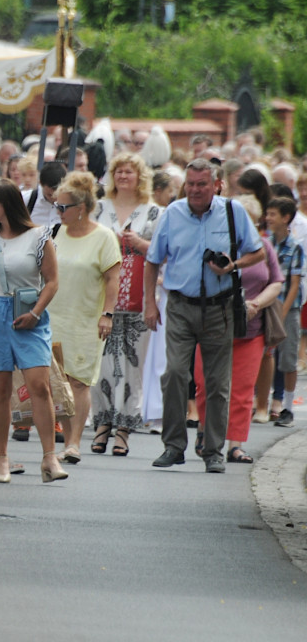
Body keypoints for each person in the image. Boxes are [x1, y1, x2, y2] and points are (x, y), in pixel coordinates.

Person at [144, 159, 265, 472]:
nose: (195, 190)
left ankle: (213, 450)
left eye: (202, 184)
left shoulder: (232, 212)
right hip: (180, 306)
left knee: (216, 383)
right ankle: (173, 446)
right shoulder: (173, 213)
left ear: (217, 185)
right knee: (173, 374)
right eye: (191, 184)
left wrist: (232, 266)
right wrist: (150, 303)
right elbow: (153, 259)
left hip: (219, 308)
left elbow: (259, 252)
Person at [0, 179, 68, 484]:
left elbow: (51, 281)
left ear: (6, 204)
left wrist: (35, 312)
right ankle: (1, 459)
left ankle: (49, 457)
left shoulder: (39, 236)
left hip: (28, 312)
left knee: (39, 385)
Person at [193, 194, 281, 463]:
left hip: (250, 329)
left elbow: (276, 282)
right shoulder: (215, 244)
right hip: (212, 325)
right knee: (206, 384)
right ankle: (206, 434)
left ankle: (235, 444)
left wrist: (256, 303)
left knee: (242, 391)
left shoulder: (264, 247)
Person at [48, 172, 121, 463]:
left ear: (81, 208)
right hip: (54, 316)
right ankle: (66, 439)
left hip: (87, 318)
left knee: (78, 381)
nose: (59, 212)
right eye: (57, 206)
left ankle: (74, 442)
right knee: (59, 382)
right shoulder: (54, 232)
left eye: (63, 207)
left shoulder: (104, 237)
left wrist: (107, 314)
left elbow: (113, 278)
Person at [90, 153, 159, 457]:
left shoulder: (155, 211)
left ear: (139, 176)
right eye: (118, 171)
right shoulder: (99, 208)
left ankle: (124, 428)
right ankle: (102, 424)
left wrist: (140, 243)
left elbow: (163, 252)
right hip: (102, 296)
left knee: (132, 367)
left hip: (138, 295)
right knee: (101, 365)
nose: (123, 176)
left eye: (129, 172)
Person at [266, 196, 302, 428]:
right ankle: (262, 401)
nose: (268, 218)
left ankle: (288, 406)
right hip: (267, 306)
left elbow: (295, 283)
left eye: (273, 214)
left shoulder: (295, 247)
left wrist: (283, 311)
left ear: (286, 218)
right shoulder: (266, 243)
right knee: (265, 355)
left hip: (287, 310)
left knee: (287, 359)